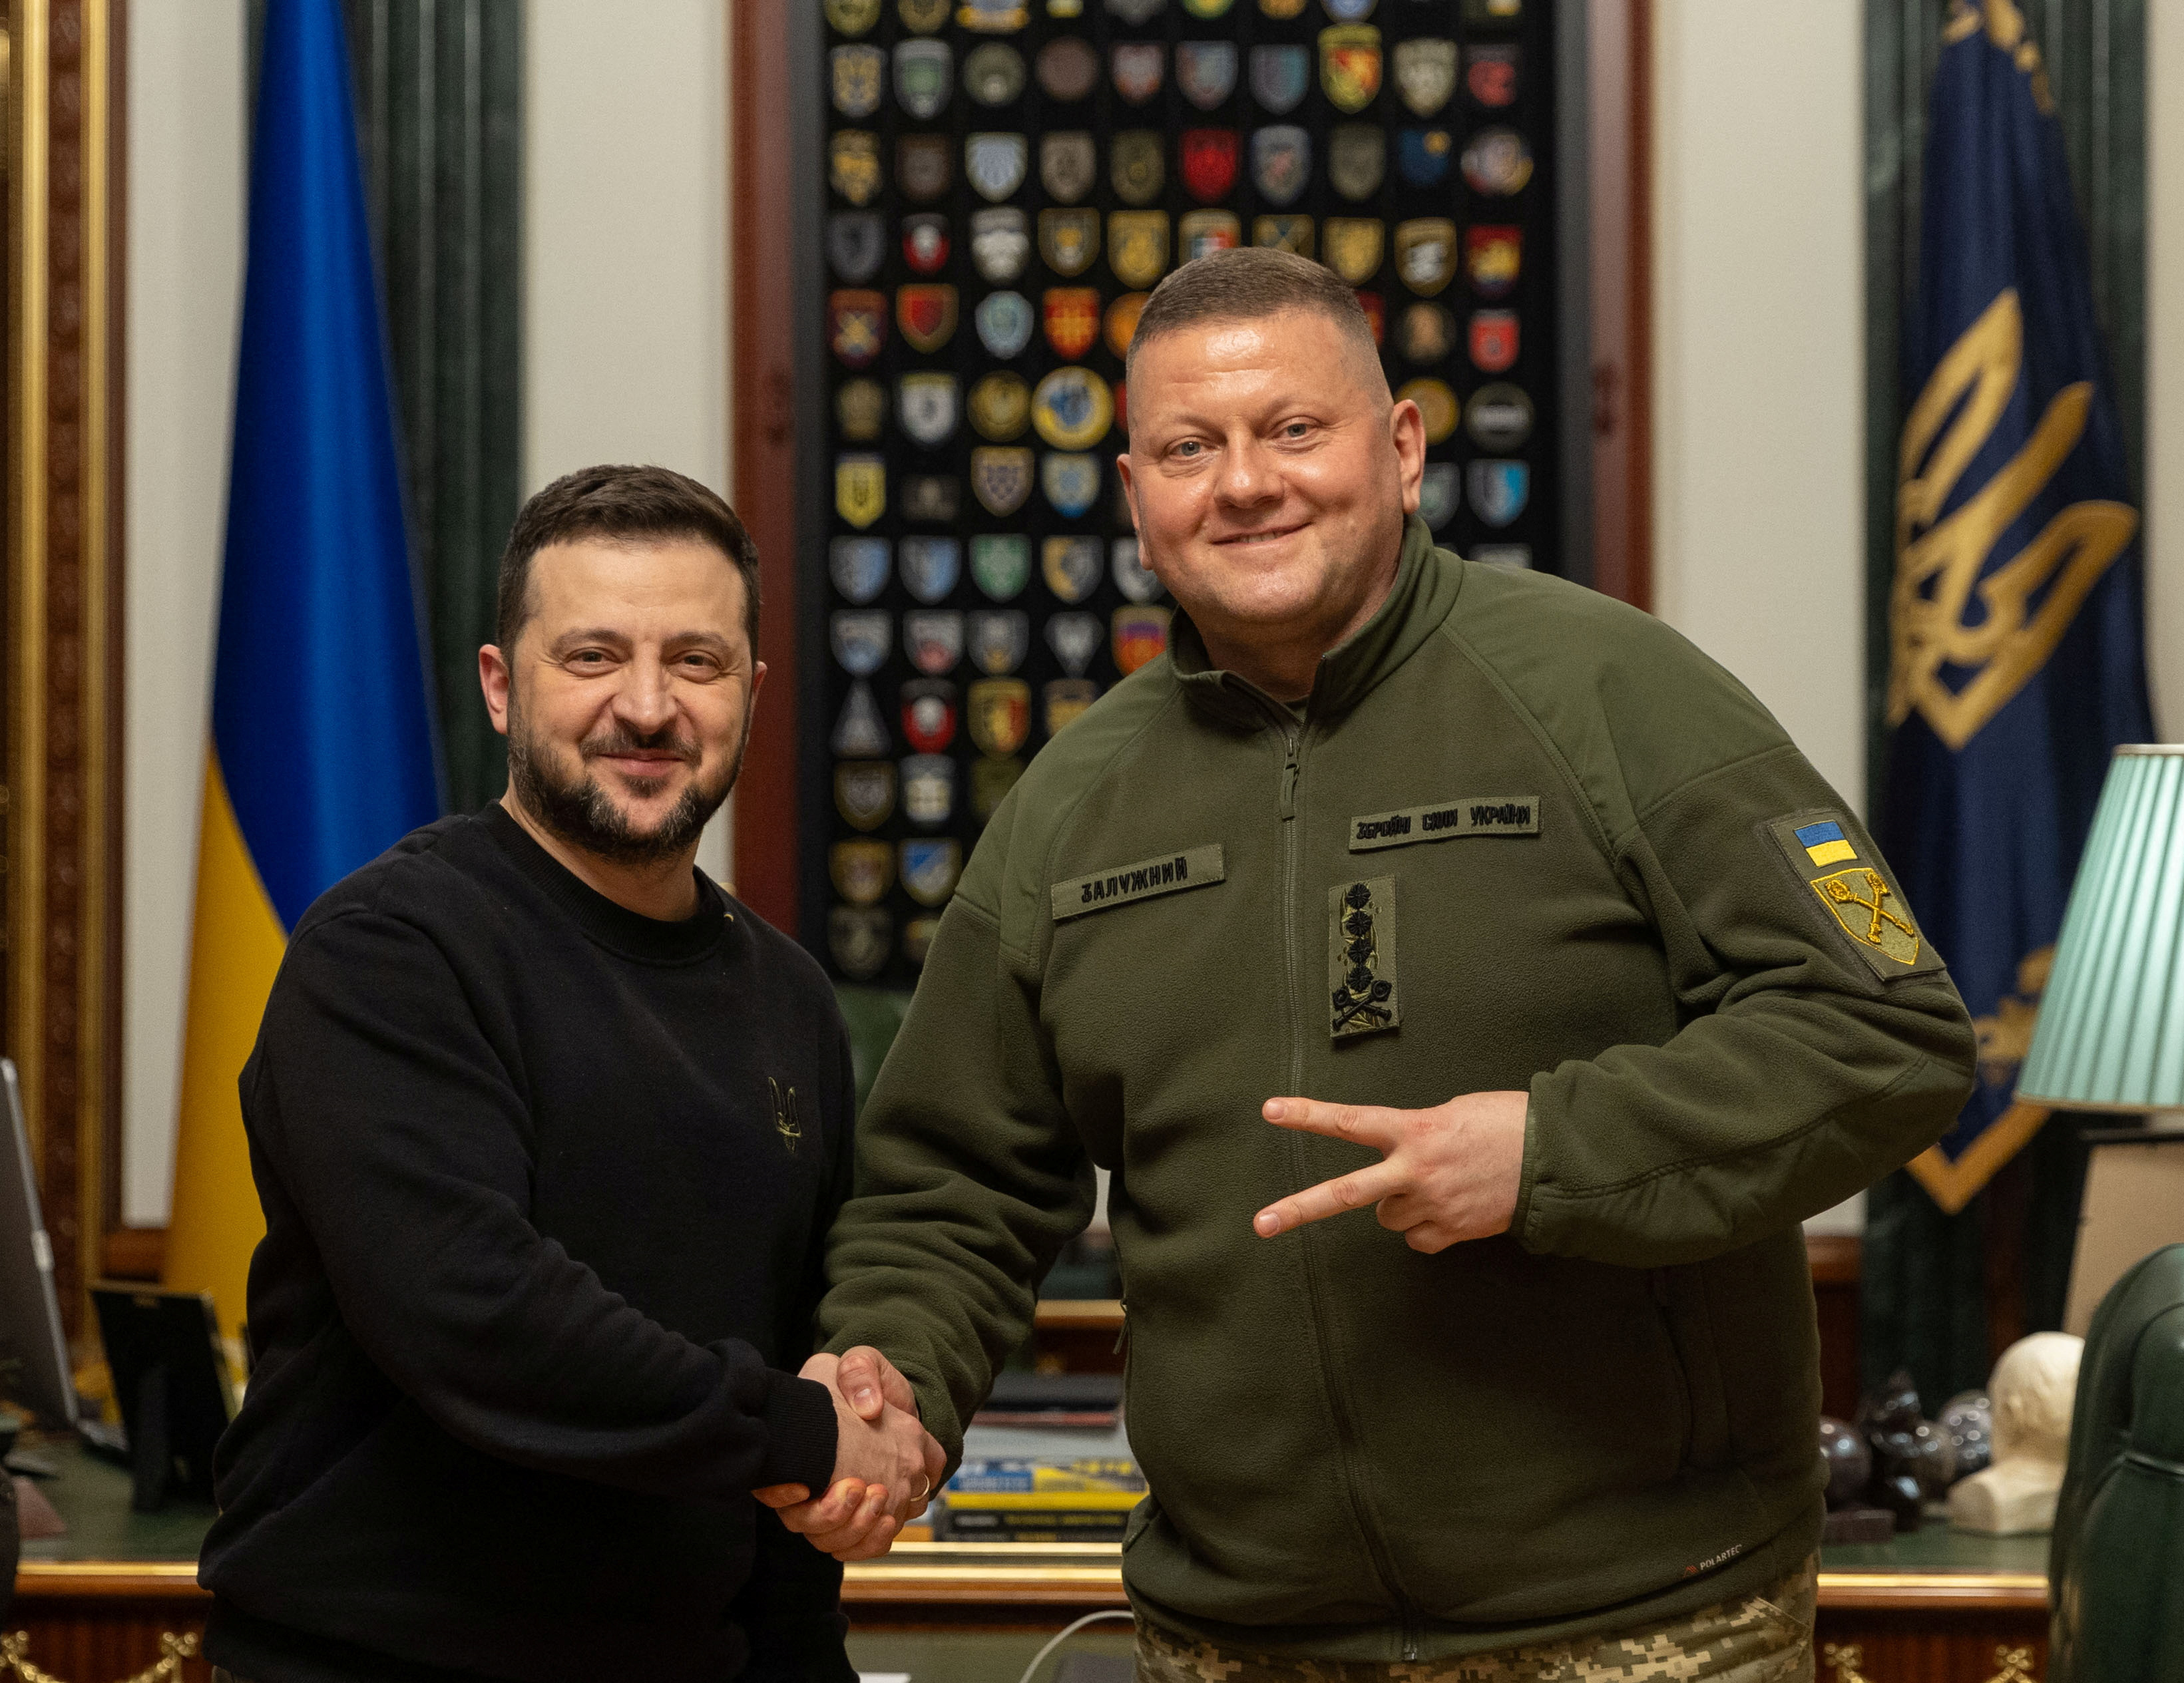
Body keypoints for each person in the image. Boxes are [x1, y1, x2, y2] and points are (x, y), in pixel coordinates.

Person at [777, 250, 1977, 1678]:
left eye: (1294, 429)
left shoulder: (1613, 690)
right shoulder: (1070, 805)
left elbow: (1883, 1025)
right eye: (1190, 448)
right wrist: (890, 1378)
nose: (1245, 483)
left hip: (1641, 1621)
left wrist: (1550, 1153)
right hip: (1238, 1638)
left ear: (1400, 449)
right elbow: (949, 1183)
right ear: (1138, 495)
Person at [199, 465, 939, 1683]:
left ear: (751, 693)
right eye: (592, 657)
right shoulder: (389, 952)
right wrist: (802, 1431)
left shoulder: (790, 998)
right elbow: (476, 1314)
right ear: (502, 686)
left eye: (695, 662)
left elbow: (787, 1381)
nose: (646, 707)